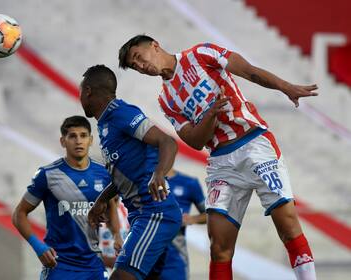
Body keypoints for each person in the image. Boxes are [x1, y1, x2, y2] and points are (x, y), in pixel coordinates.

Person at [118, 35, 317, 280]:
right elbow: (194, 140)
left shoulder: (201, 53)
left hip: (254, 143)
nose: (139, 65)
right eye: (134, 66)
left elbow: (249, 71)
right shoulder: (166, 99)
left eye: (138, 57)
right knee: (219, 248)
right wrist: (210, 115)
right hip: (221, 162)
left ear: (155, 45)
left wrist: (285, 87)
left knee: (287, 226)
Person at [80, 64, 183, 280]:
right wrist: (101, 200)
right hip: (141, 216)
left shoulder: (121, 113)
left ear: (88, 90)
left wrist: (159, 173)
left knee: (120, 277)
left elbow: (168, 142)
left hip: (155, 213)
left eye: (81, 91)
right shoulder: (106, 124)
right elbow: (125, 175)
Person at [12, 116, 122, 280]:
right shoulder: (47, 175)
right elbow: (19, 214)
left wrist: (117, 235)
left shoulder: (105, 175)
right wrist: (38, 247)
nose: (78, 141)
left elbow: (112, 205)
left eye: (83, 135)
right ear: (63, 141)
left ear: (91, 140)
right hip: (59, 265)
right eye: (72, 136)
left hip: (94, 266)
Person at [161, 168, 206, 280]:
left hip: (175, 257)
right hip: (146, 256)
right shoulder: (143, 181)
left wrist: (191, 219)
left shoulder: (189, 183)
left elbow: (211, 214)